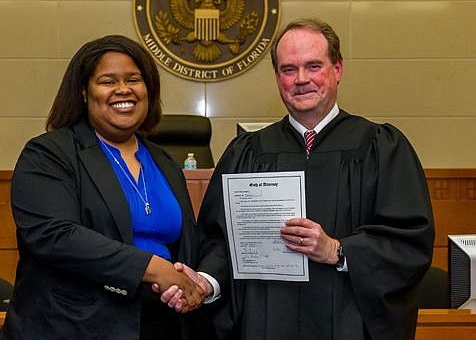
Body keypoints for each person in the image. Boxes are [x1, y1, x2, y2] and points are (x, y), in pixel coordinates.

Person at [163, 18, 435, 339]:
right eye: (289, 69)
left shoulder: (381, 147)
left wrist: (337, 250)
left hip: (346, 323)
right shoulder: (247, 152)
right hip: (264, 322)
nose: (301, 79)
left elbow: (408, 240)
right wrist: (206, 281)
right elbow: (221, 241)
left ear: (338, 69)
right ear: (277, 77)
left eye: (314, 66)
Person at [0, 35, 207, 340]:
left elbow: (187, 243)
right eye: (108, 81)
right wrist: (153, 268)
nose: (123, 90)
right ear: (84, 92)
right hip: (74, 325)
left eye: (134, 79)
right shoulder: (49, 153)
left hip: (158, 323)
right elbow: (55, 236)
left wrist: (195, 282)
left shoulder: (163, 161)